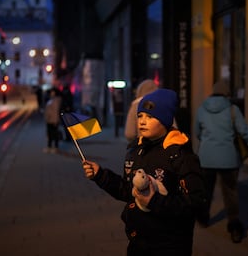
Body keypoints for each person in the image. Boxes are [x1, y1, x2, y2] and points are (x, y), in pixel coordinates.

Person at [82, 88, 207, 255]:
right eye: (140, 116)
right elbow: (128, 191)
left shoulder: (181, 155)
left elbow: (195, 202)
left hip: (170, 244)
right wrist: (101, 176)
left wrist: (154, 201)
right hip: (138, 241)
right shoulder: (135, 150)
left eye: (150, 117)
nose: (142, 121)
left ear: (165, 120)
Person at [194, 80, 248, 243]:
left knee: (205, 191)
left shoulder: (201, 109)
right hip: (228, 159)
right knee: (231, 193)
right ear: (227, 93)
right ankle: (234, 227)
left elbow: (197, 133)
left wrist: (208, 142)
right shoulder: (233, 110)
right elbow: (246, 133)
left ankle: (203, 218)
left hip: (206, 158)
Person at [43, 88, 62, 153]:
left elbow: (55, 112)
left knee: (54, 134)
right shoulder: (51, 100)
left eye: (52, 92)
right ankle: (49, 146)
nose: (51, 93)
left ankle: (55, 147)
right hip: (49, 120)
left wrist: (56, 120)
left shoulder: (56, 100)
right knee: (50, 134)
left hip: (53, 120)